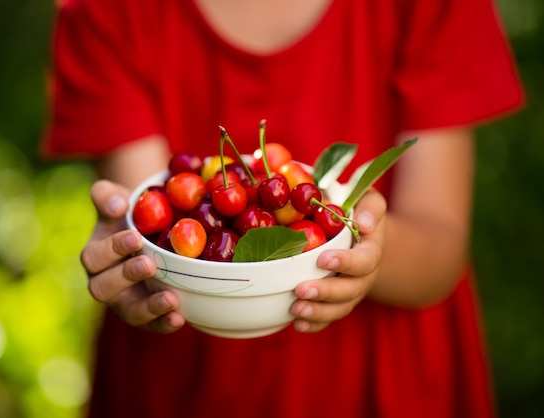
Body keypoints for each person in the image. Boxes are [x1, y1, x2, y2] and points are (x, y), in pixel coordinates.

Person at [43, 0, 524, 416]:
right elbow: (163, 227)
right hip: (185, 380)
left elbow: (438, 247)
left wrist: (368, 246)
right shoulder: (108, 10)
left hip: (383, 383)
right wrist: (133, 249)